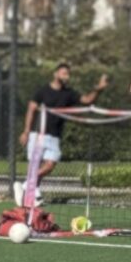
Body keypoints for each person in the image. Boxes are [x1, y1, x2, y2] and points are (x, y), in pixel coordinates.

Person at [20, 62, 106, 204]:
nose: (67, 76)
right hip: (38, 134)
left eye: (68, 74)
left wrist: (98, 89)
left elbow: (87, 100)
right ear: (56, 74)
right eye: (64, 73)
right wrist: (26, 131)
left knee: (50, 164)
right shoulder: (42, 91)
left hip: (55, 136)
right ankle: (32, 196)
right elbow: (31, 109)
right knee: (34, 165)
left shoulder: (69, 93)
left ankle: (27, 184)